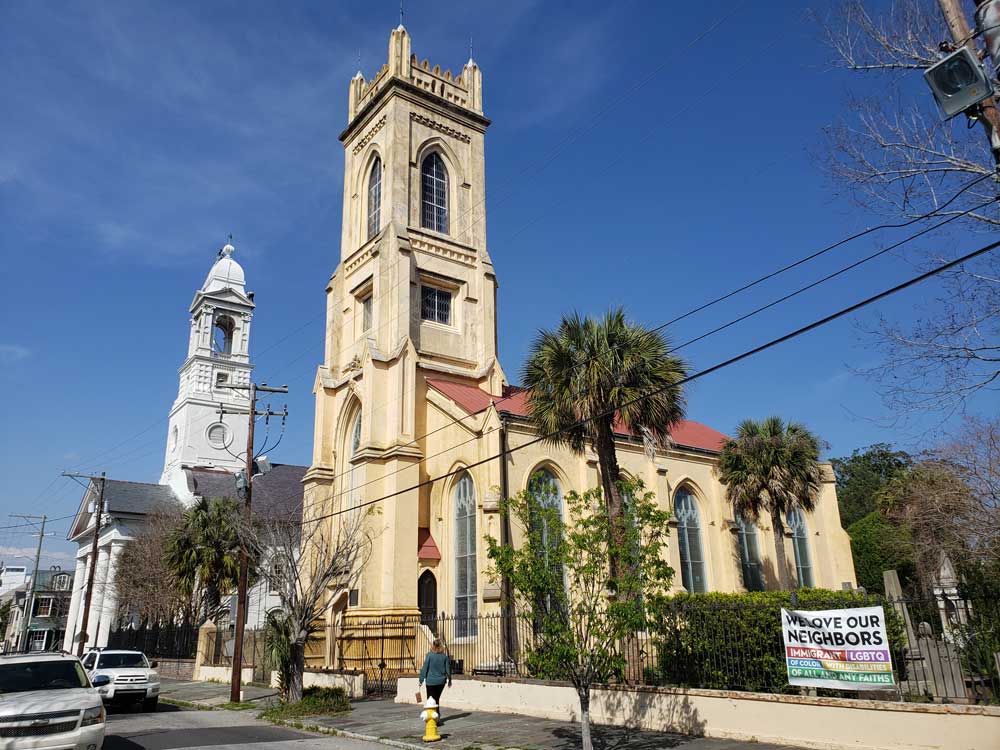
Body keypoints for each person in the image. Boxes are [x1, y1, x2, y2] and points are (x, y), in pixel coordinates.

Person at [418, 638, 452, 717]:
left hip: (431, 682)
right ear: (441, 646)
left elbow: (424, 668)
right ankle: (437, 716)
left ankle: (433, 718)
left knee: (430, 701)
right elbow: (448, 670)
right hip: (441, 682)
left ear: (433, 645)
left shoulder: (429, 655)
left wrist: (421, 680)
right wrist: (450, 680)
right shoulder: (444, 657)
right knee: (436, 699)